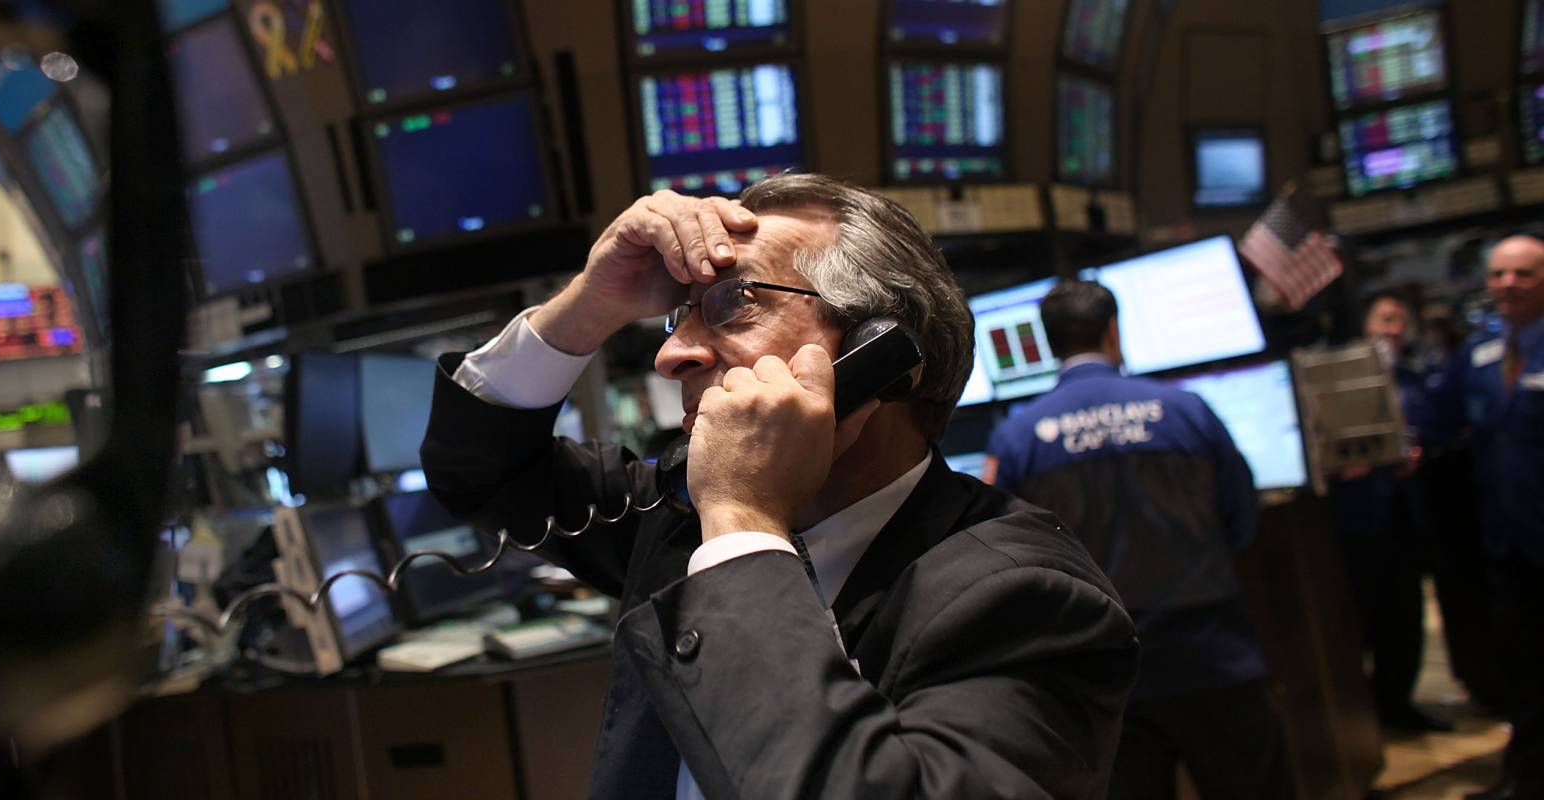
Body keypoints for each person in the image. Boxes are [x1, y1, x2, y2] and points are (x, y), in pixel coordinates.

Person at [421, 174, 1139, 798]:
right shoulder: (675, 513)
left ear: (875, 354)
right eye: (681, 313)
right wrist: (592, 303)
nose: (671, 353)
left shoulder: (1026, 600)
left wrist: (742, 523)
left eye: (734, 301)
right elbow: (480, 469)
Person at [983, 280, 1295, 800]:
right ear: (1113, 331)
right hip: (1212, 655)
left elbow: (1007, 554)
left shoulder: (1019, 437)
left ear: (1048, 342)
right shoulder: (1187, 411)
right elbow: (1241, 517)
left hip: (1100, 674)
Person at [1430, 234, 1544, 800]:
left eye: (1522, 274)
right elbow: (1435, 422)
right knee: (1523, 665)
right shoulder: (1478, 354)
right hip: (1506, 546)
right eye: (1499, 275)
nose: (1507, 285)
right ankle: (1524, 778)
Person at [1327, 289, 1451, 733]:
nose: (1393, 330)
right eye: (1385, 319)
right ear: (1365, 325)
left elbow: (1437, 429)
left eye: (1400, 321)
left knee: (1405, 618)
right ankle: (1362, 718)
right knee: (1361, 619)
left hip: (1406, 516)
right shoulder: (1336, 381)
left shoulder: (1415, 379)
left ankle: (1399, 704)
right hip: (1357, 522)